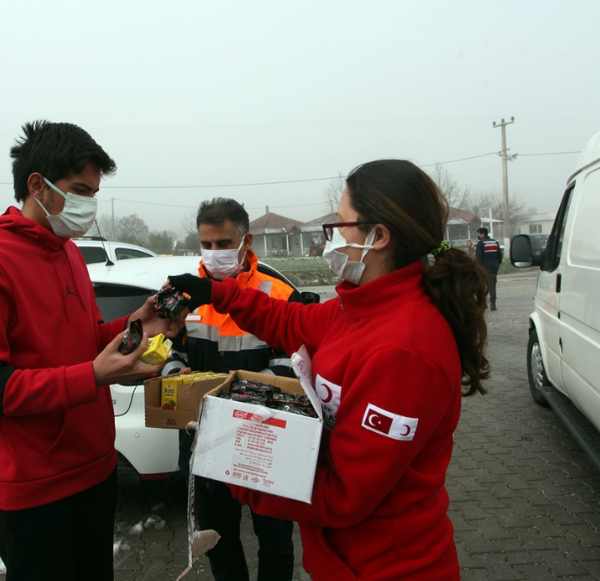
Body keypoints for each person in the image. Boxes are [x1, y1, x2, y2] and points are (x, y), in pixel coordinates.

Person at [168, 159, 490, 581]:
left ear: (379, 236)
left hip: (388, 567)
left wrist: (237, 469)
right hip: (341, 562)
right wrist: (218, 293)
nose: (333, 236)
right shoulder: (359, 306)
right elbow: (290, 322)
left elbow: (344, 495)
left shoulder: (405, 348)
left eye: (340, 224)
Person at [0, 120, 179, 581]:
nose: (88, 205)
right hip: (33, 488)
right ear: (38, 185)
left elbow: (84, 340)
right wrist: (92, 377)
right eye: (79, 190)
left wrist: (139, 322)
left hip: (95, 468)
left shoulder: (69, 251)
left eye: (93, 192)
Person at [162, 197, 299, 581]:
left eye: (224, 244)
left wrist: (246, 399)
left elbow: (290, 363)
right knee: (219, 537)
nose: (215, 252)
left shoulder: (277, 293)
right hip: (204, 440)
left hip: (264, 438)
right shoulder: (184, 296)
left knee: (274, 538)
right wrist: (177, 374)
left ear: (246, 240)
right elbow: (171, 351)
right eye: (207, 244)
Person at [475, 227, 503, 310]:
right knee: (492, 287)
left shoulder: (481, 243)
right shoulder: (495, 242)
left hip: (483, 268)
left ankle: (483, 304)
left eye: (478, 234)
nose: (478, 236)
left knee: (482, 287)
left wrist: (477, 267)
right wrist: (497, 264)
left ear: (482, 234)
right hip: (493, 268)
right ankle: (493, 304)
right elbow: (500, 256)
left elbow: (478, 258)